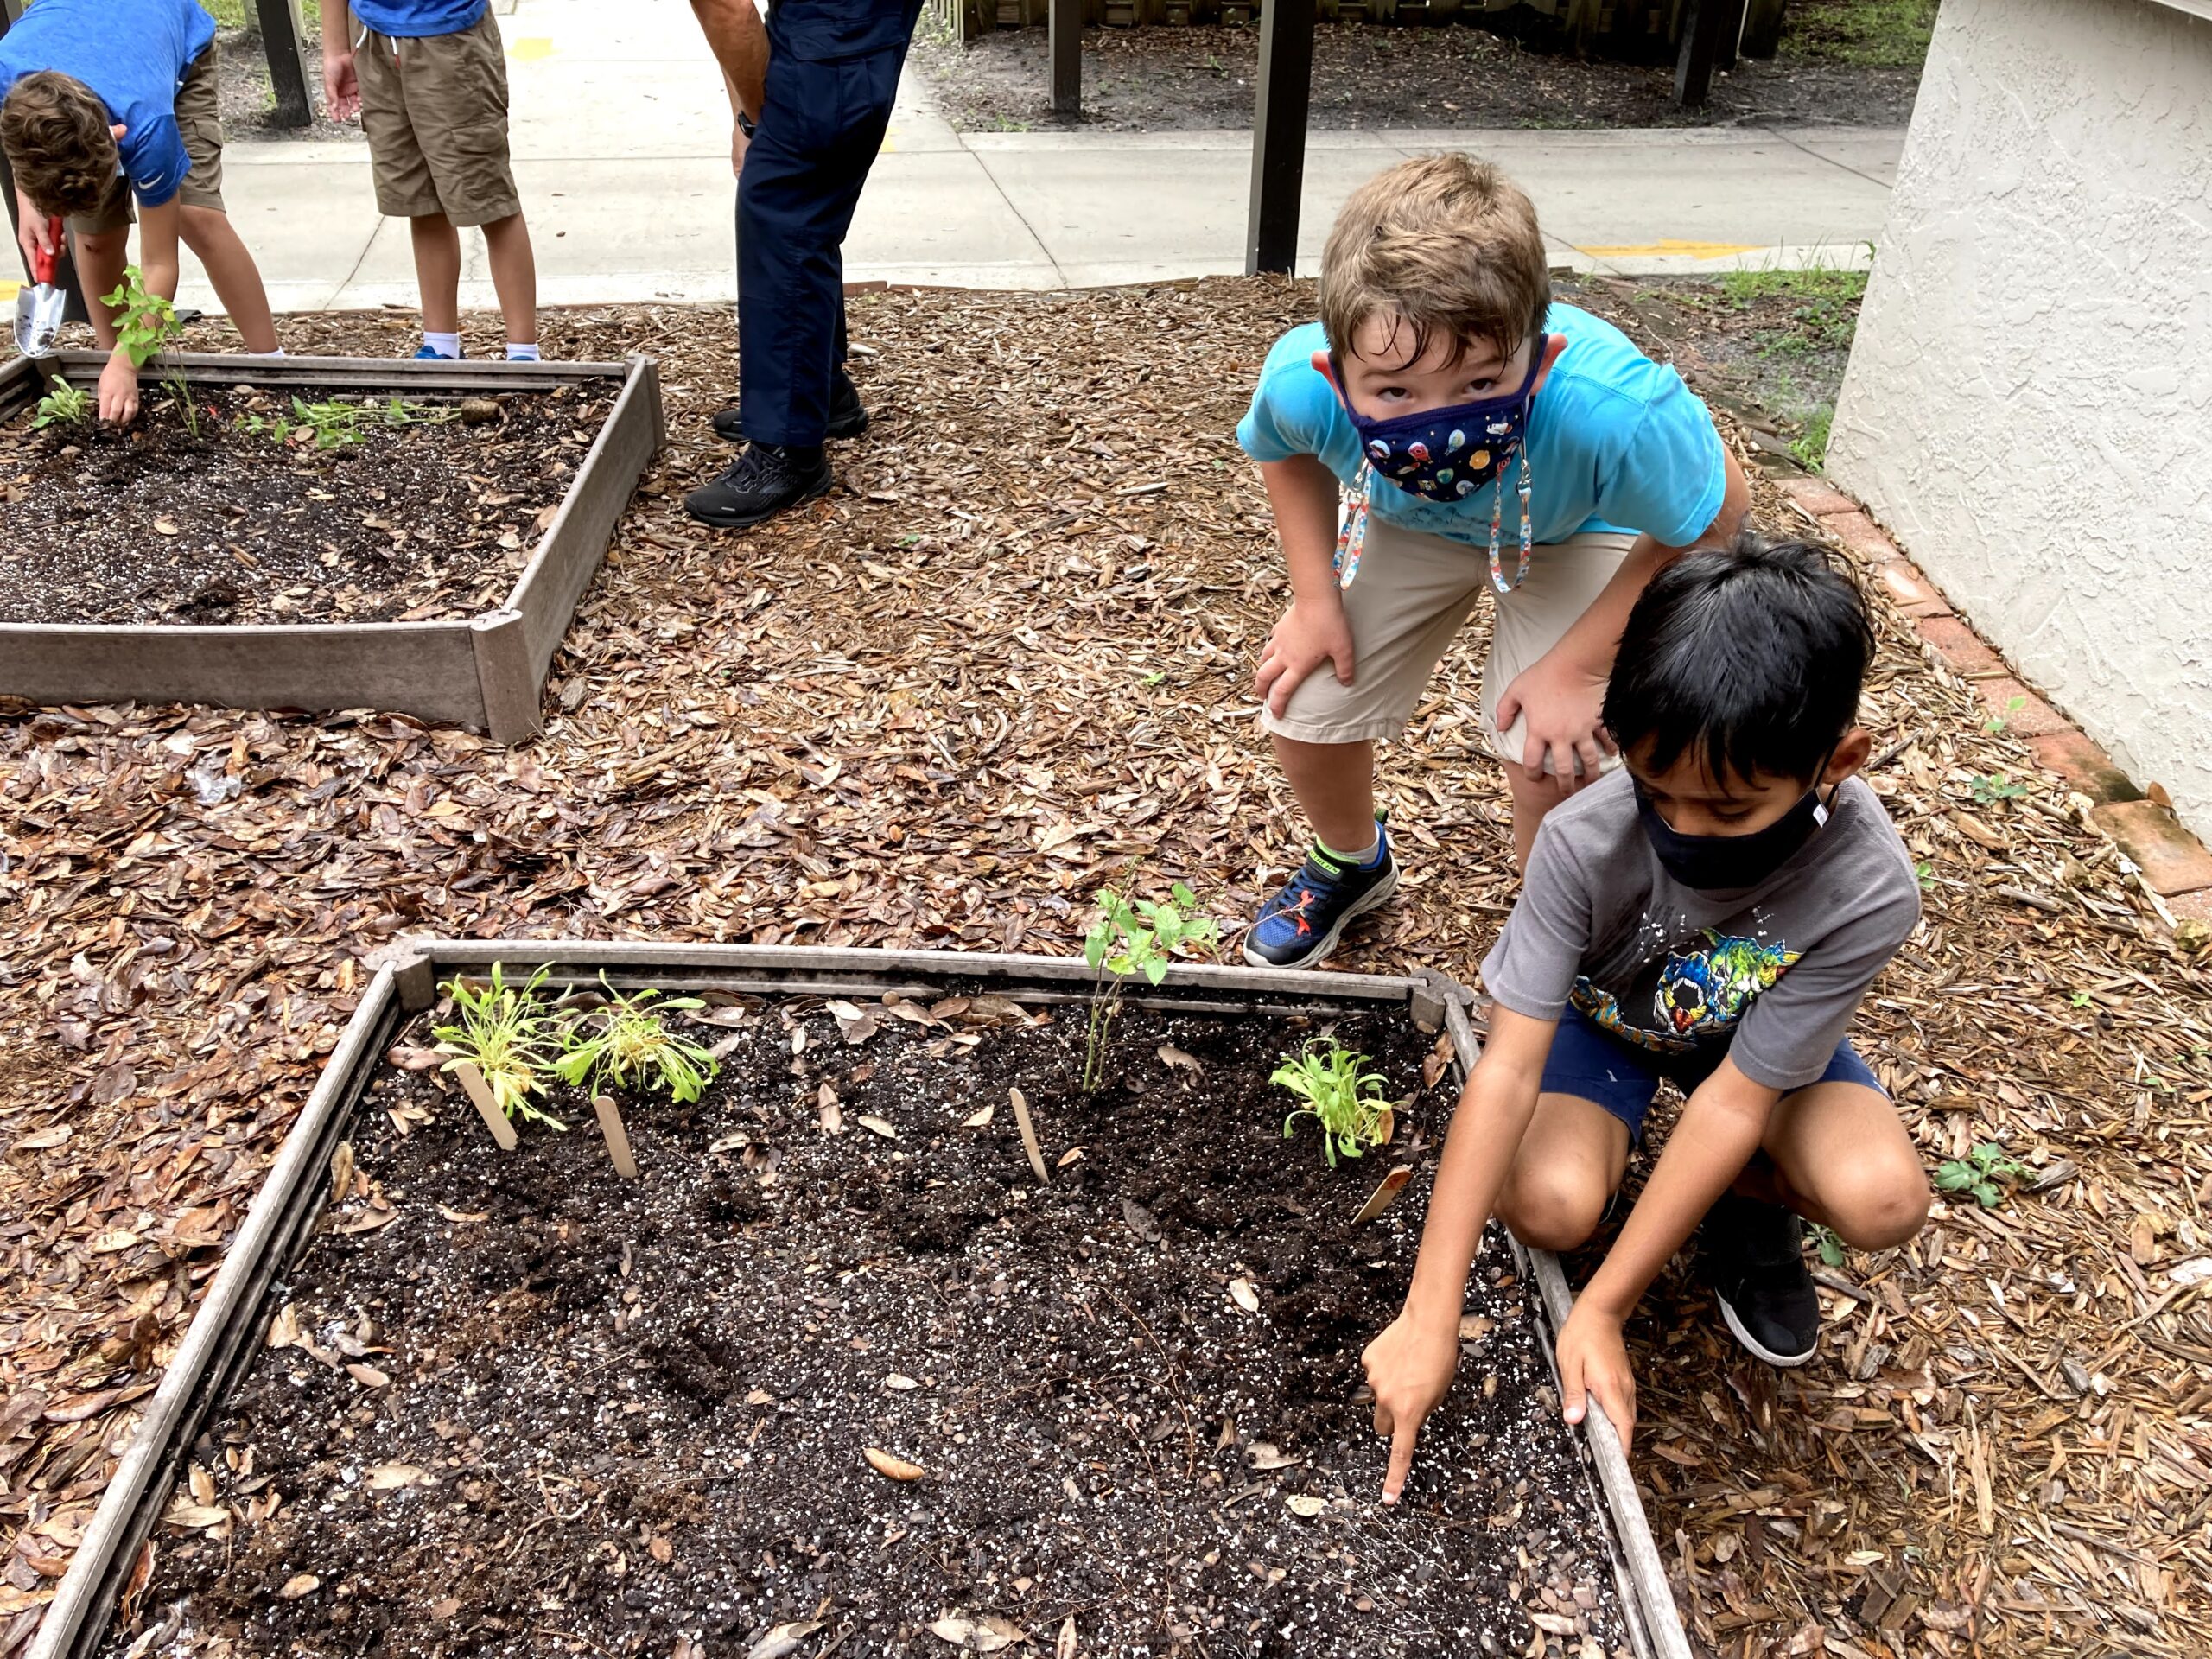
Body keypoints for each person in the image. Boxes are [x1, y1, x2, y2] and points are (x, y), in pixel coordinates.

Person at [1359, 534, 1932, 1501]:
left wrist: (1604, 1310)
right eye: (1657, 794)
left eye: (1730, 810)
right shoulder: (1587, 836)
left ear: (1836, 763)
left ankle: (1741, 1208)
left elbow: (1738, 1097)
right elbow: (1503, 1068)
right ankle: (1641, 1171)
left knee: (1883, 1198)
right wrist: (1430, 1308)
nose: (1682, 829)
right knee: (1549, 1206)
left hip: (1746, 1048)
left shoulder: (1867, 886)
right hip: (1600, 1021)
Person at [1236, 155, 1750, 969]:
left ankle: (1557, 925)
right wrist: (1314, 598)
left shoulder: (1613, 410)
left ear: (1538, 361)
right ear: (1338, 374)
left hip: (1579, 524)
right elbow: (1284, 456)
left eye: (1480, 382)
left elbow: (1717, 510)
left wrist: (1579, 671)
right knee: (1306, 702)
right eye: (1395, 393)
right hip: (1407, 521)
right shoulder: (1302, 384)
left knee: (1557, 750)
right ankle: (1351, 858)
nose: (1440, 421)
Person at [684, 0, 920, 530]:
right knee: (806, 210)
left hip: (832, 32)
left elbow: (726, 8)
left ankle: (790, 448)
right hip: (843, 21)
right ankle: (821, 394)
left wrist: (754, 118)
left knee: (781, 212)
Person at [0, 0, 281, 424]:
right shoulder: (5, 73)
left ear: (115, 139)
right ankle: (109, 365)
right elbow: (17, 133)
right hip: (83, 39)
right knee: (93, 238)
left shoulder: (149, 126)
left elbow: (160, 264)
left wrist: (131, 362)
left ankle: (274, 366)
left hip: (171, 42)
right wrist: (29, 199)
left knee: (195, 213)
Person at [320, 0, 538, 362]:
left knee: (488, 198)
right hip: (372, 38)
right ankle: (440, 345)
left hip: (451, 35)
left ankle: (523, 353)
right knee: (419, 198)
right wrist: (336, 47)